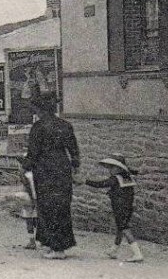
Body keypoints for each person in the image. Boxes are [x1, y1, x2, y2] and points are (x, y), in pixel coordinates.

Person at [21, 92, 80, 259]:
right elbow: (74, 150)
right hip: (62, 167)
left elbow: (33, 153)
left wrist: (25, 167)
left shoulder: (38, 127)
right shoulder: (65, 125)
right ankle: (58, 245)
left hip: (45, 169)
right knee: (61, 207)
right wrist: (75, 167)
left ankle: (56, 248)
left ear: (40, 109)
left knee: (47, 207)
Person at [85, 154, 144, 262]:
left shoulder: (115, 179)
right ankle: (114, 250)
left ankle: (137, 253)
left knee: (124, 228)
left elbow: (101, 184)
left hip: (120, 207)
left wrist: (86, 181)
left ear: (119, 168)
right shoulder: (127, 177)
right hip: (127, 206)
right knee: (120, 228)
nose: (109, 169)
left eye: (112, 167)